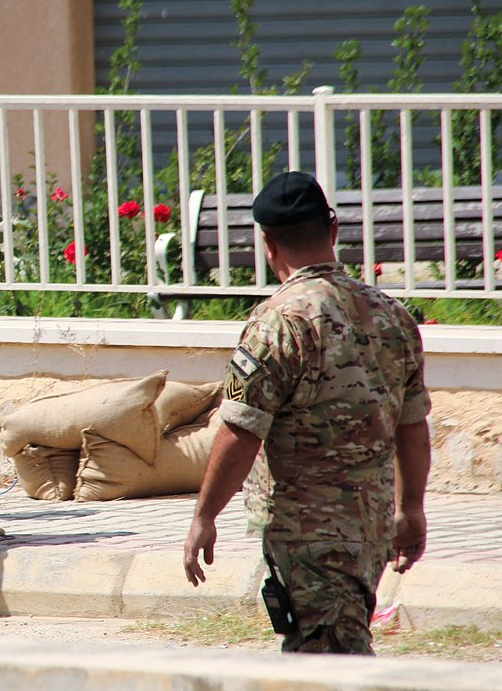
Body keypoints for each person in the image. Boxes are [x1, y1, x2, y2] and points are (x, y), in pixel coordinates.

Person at [182, 171, 432, 655]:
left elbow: (240, 430)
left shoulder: (279, 322)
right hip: (372, 523)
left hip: (308, 533)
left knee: (331, 662)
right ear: (333, 230)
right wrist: (412, 506)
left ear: (267, 243)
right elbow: (412, 423)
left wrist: (204, 515)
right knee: (325, 649)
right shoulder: (393, 315)